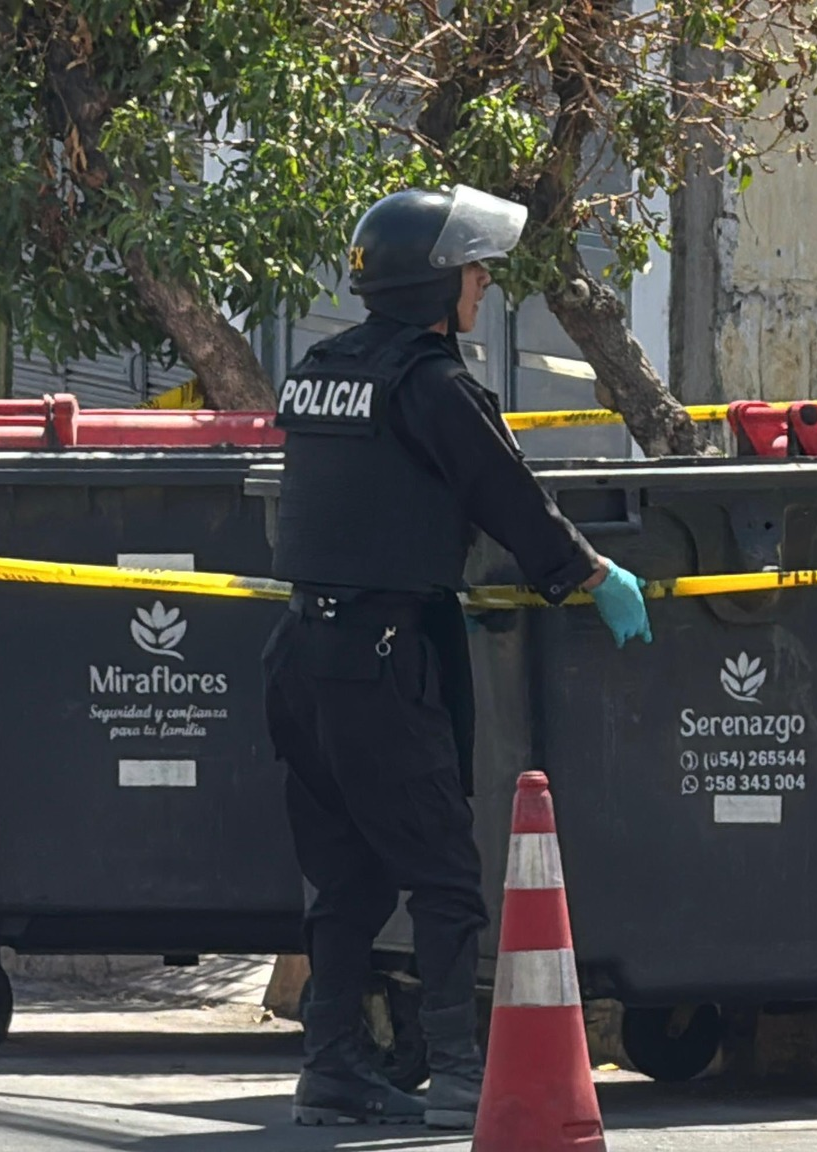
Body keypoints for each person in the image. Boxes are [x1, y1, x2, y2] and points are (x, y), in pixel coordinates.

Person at [264, 184, 654, 1129]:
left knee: (348, 874)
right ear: (437, 283)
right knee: (441, 871)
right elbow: (505, 493)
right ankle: (454, 1075)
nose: (484, 282)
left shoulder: (320, 366)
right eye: (475, 269)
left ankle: (333, 1065)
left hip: (301, 658)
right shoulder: (431, 382)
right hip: (384, 657)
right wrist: (590, 573)